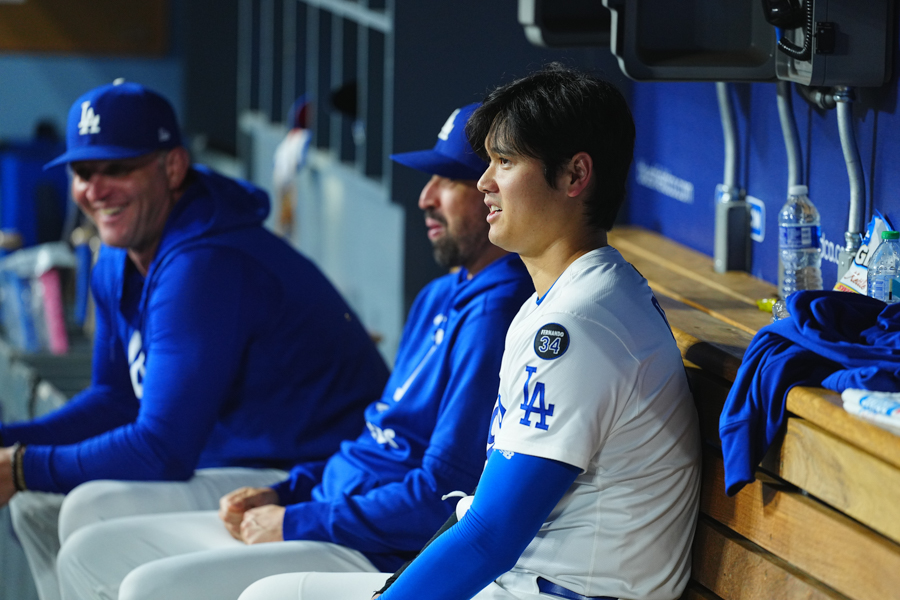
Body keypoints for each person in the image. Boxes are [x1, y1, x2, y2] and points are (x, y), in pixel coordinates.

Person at [240, 63, 702, 600]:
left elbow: (490, 537)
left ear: (575, 175)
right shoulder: (567, 300)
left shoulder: (578, 326)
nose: (485, 182)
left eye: (505, 162)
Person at [55, 103, 535, 600]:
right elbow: (374, 441)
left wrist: (296, 517)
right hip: (328, 503)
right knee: (91, 550)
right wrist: (288, 491)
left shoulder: (499, 312)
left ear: (494, 192)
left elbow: (443, 496)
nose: (425, 197)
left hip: (375, 547)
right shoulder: (441, 293)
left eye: (450, 180)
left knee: (149, 586)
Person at [0, 80, 390, 600]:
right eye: (83, 172)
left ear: (173, 167)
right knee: (41, 503)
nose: (96, 190)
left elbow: (162, 450)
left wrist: (21, 464)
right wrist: (11, 442)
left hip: (308, 480)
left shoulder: (205, 260)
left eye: (118, 168)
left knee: (78, 509)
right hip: (233, 464)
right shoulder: (120, 252)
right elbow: (115, 398)